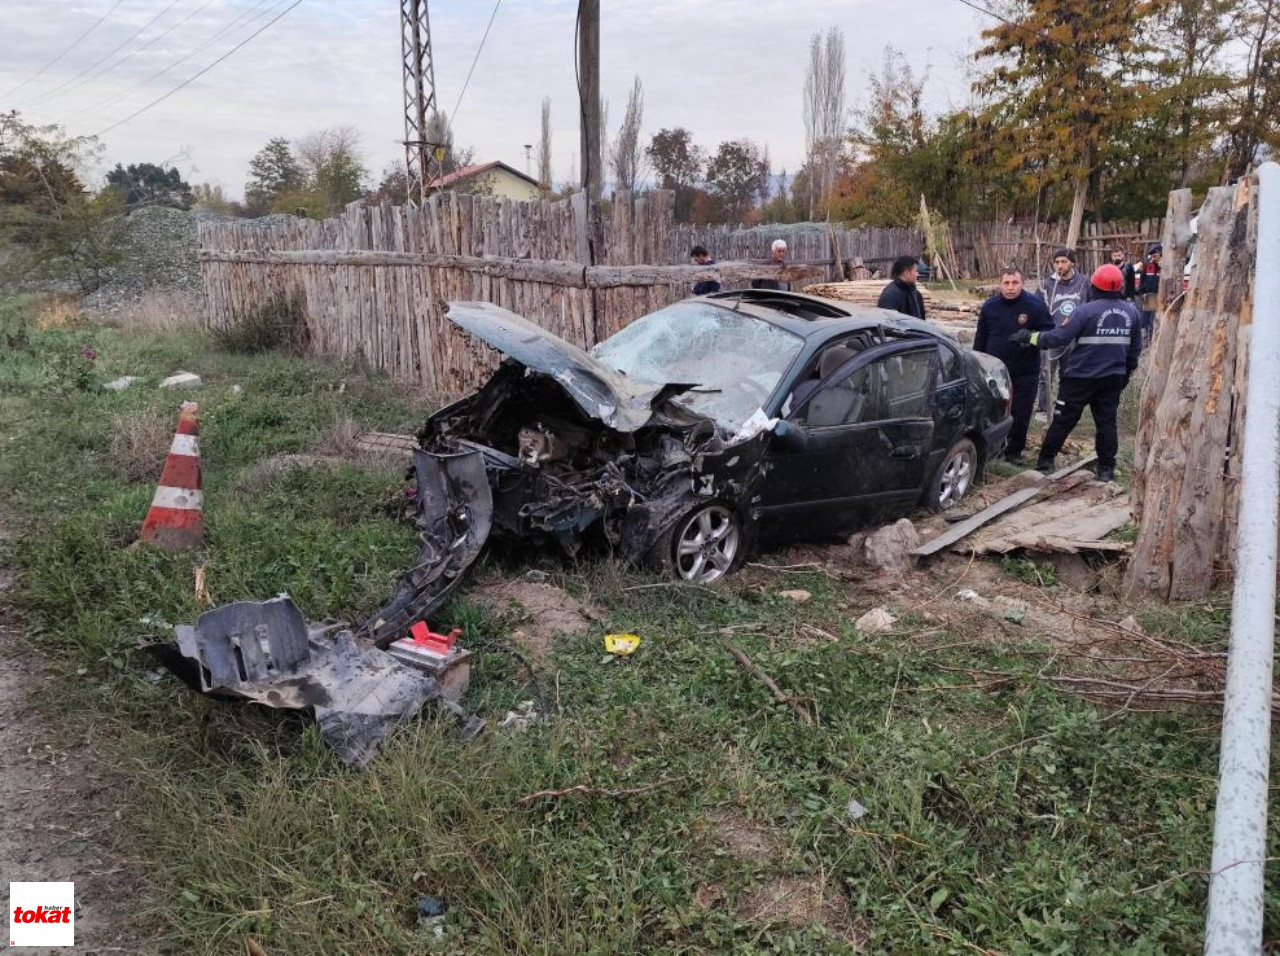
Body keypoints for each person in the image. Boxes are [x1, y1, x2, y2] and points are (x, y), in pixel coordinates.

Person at [1009, 263, 1142, 484]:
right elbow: (1135, 349)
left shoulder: (1085, 311)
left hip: (1079, 377)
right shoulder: (1132, 312)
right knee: (1107, 423)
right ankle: (1106, 469)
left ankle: (1045, 461)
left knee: (1063, 420)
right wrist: (1125, 374)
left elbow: (1058, 338)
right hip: (1112, 379)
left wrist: (1029, 337)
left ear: (1094, 287)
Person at [973, 268, 1053, 464]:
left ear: (1022, 283)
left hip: (1025, 369)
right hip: (994, 370)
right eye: (1006, 283)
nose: (1010, 288)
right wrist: (977, 363)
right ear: (1000, 284)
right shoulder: (990, 307)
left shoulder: (1034, 305)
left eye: (1014, 283)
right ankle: (992, 448)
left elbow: (1050, 332)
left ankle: (1014, 451)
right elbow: (980, 337)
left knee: (1021, 411)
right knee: (993, 409)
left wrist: (1031, 338)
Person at [1035, 248, 1090, 418]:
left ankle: (1062, 407)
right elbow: (1038, 307)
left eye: (1064, 262)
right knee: (1045, 373)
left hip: (1074, 337)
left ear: (1072, 263)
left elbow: (1090, 306)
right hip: (1052, 335)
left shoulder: (1083, 282)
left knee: (1069, 374)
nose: (1060, 265)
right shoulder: (1047, 284)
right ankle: (1043, 409)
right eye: (1057, 262)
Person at [1137, 243, 1162, 346]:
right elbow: (1143, 279)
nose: (1153, 258)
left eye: (1155, 256)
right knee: (1146, 321)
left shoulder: (1166, 265)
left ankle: (1153, 341)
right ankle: (1146, 342)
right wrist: (1142, 292)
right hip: (1149, 296)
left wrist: (1162, 266)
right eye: (1152, 256)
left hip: (1161, 296)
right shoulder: (1148, 264)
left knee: (1154, 321)